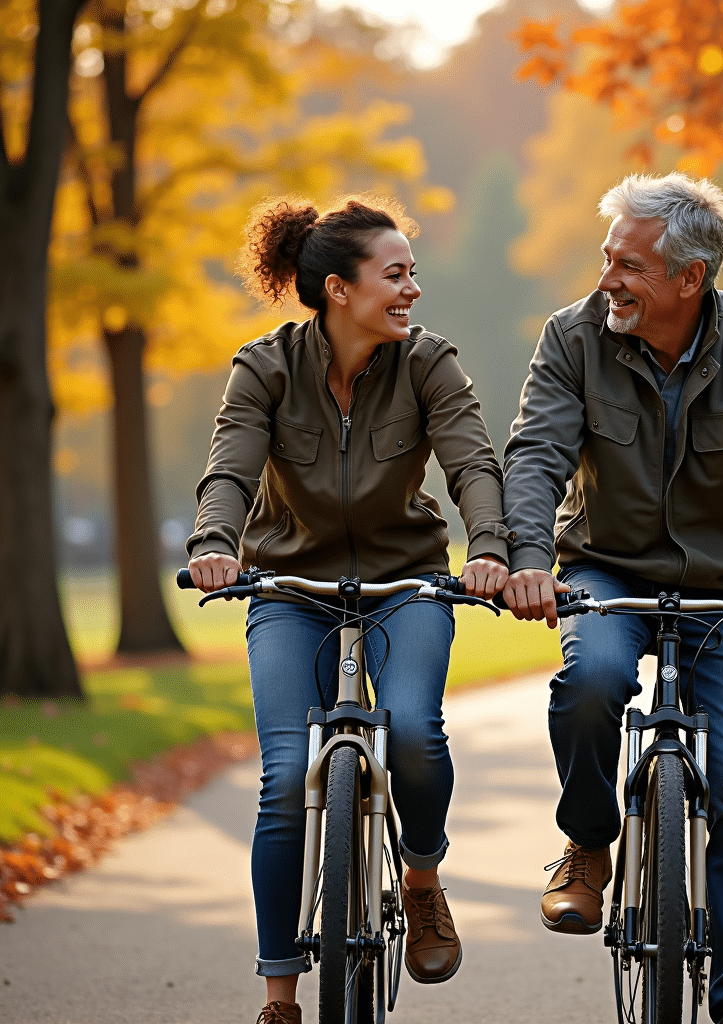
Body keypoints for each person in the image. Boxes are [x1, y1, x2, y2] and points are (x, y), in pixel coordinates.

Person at [501, 172, 723, 1024]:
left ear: (689, 279)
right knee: (591, 683)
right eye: (607, 257)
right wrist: (529, 557)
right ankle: (588, 842)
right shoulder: (572, 336)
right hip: (605, 569)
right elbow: (537, 453)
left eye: (630, 264)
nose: (608, 278)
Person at [187, 195, 509, 1024]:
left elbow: (474, 462)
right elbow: (229, 467)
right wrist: (211, 543)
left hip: (407, 582)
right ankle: (281, 996)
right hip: (289, 587)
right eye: (394, 275)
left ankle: (423, 874)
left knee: (411, 730)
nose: (412, 291)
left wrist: (490, 550)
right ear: (338, 288)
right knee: (286, 772)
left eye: (413, 274)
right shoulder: (264, 367)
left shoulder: (429, 363)